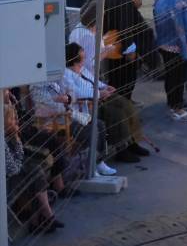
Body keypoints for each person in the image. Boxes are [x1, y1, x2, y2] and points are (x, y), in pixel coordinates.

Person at [61, 43, 147, 164]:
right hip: (89, 104)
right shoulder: (66, 74)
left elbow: (95, 81)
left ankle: (132, 142)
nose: (84, 53)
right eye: (81, 51)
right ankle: (121, 149)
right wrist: (100, 93)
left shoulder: (82, 68)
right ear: (74, 55)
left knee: (126, 104)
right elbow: (77, 93)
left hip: (100, 97)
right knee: (117, 113)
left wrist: (105, 86)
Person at [5, 93, 62, 235]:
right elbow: (13, 168)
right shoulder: (4, 142)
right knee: (34, 172)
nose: (16, 122)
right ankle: (46, 216)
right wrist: (17, 140)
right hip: (6, 182)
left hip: (12, 172)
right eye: (12, 119)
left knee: (35, 170)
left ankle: (39, 220)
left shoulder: (8, 136)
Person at [100, 0, 153, 101]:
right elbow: (125, 27)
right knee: (125, 81)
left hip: (114, 48)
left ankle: (121, 105)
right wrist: (130, 49)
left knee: (116, 80)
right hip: (122, 49)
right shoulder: (123, 1)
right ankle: (123, 107)